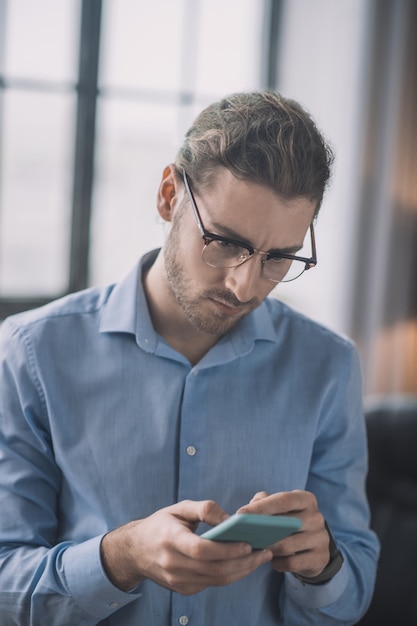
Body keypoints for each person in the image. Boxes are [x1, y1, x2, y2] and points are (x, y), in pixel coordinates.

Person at [0, 91, 379, 626]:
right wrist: (120, 557)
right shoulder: (32, 353)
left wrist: (324, 566)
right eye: (225, 242)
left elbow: (353, 592)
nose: (244, 286)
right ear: (167, 195)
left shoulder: (329, 366)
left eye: (279, 258)